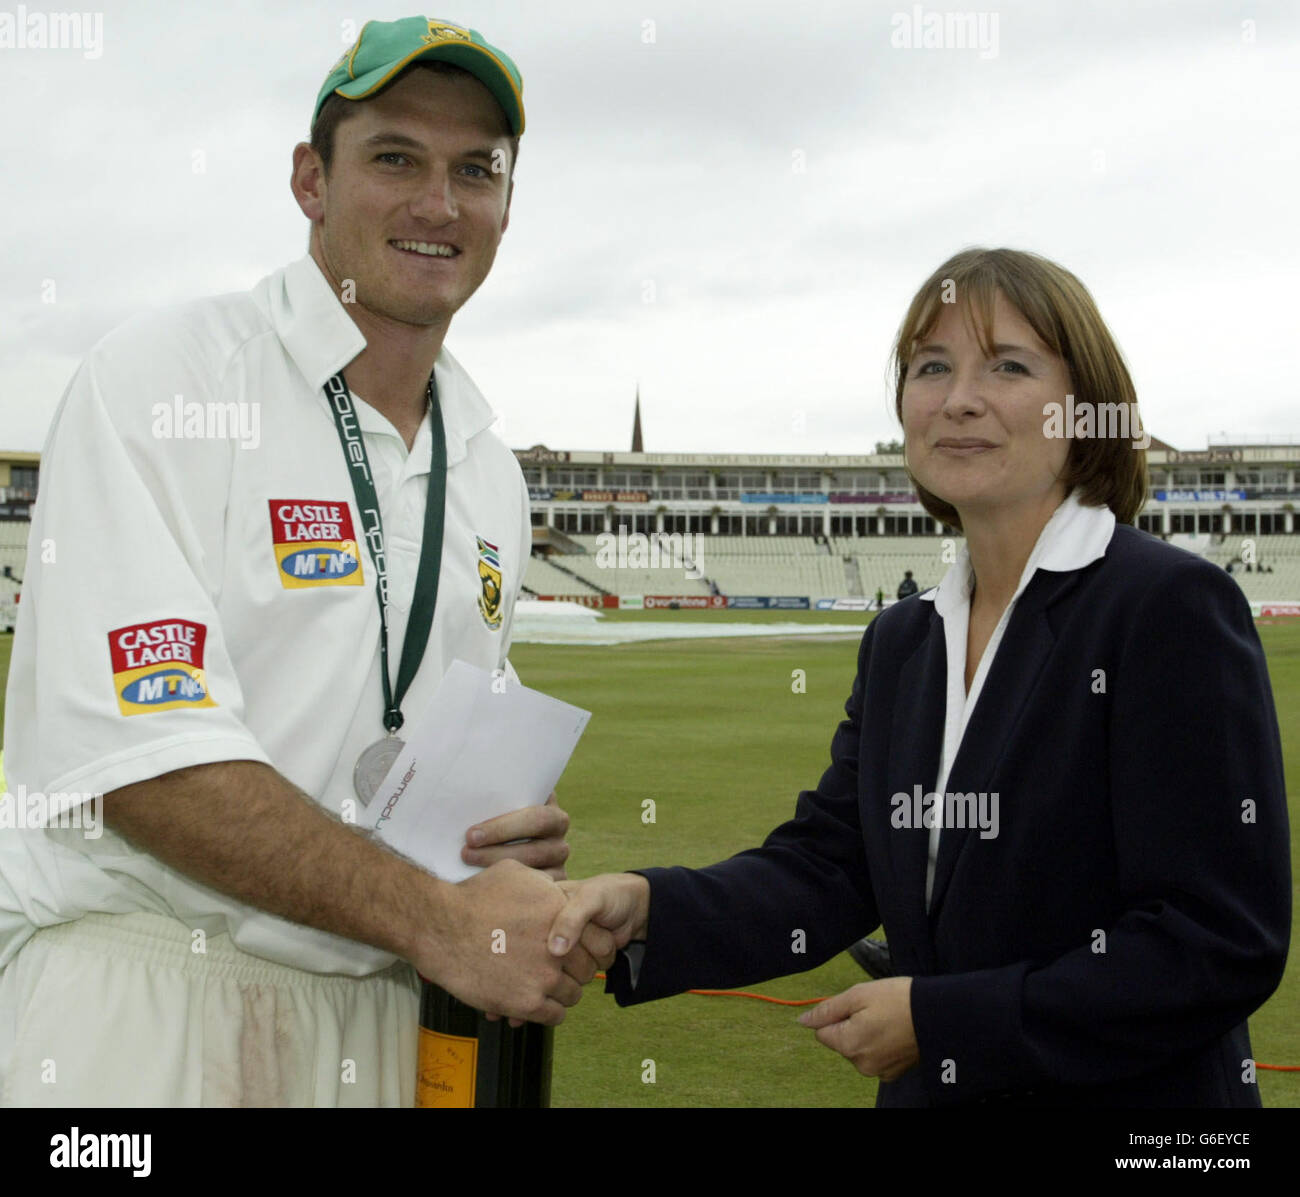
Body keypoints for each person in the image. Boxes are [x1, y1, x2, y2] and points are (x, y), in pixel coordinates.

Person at [0, 16, 600, 1108]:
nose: (438, 203)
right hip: (148, 993)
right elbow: (146, 765)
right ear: (309, 181)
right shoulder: (165, 380)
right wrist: (433, 915)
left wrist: (495, 838)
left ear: (507, 205)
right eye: (394, 158)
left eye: (477, 170)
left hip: (389, 1003)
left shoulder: (486, 463)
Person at [550, 247, 1291, 1107]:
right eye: (930, 367)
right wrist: (647, 906)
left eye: (1007, 366)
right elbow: (830, 868)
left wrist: (942, 1021)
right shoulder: (905, 639)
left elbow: (1217, 940)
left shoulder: (1166, 606)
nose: (958, 397)